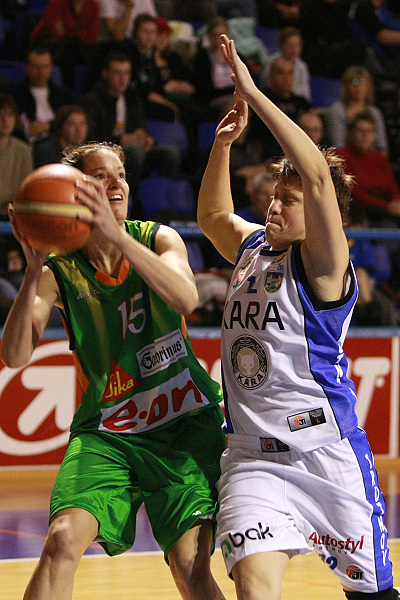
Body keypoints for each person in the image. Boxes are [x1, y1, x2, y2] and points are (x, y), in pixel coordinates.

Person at [197, 34, 399, 600]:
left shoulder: (326, 266)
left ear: (321, 212)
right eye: (273, 194)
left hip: (325, 456)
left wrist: (254, 92)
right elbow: (213, 217)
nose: (274, 204)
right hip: (250, 460)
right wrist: (222, 146)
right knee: (254, 589)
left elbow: (317, 175)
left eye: (289, 199)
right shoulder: (253, 248)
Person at [1, 140, 227, 600]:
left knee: (189, 566)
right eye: (101, 177)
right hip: (108, 433)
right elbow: (15, 355)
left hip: (182, 426)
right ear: (75, 191)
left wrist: (117, 236)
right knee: (63, 539)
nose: (116, 183)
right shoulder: (60, 272)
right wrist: (32, 271)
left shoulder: (157, 238)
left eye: (120, 174)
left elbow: (186, 298)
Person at [81, 52, 180, 199]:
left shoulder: (132, 98)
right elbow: (90, 138)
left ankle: (163, 199)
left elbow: (141, 127)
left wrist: (147, 139)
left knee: (170, 153)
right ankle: (132, 199)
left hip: (134, 149)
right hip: (108, 152)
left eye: (126, 73)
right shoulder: (93, 100)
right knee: (135, 152)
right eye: (117, 73)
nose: (123, 79)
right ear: (105, 74)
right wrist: (120, 140)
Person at [246, 55, 313, 161]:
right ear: (271, 75)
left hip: (300, 155)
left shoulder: (302, 103)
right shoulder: (260, 101)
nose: (286, 78)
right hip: (268, 156)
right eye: (280, 72)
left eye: (290, 73)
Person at [9, 43, 77, 145]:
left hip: (60, 143)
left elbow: (76, 120)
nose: (40, 72)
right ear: (27, 68)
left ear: (51, 68)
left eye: (45, 67)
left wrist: (49, 126)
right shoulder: (13, 94)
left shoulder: (66, 96)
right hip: (27, 144)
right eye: (35, 67)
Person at [28, 0, 100, 89]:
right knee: (68, 55)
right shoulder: (57, 3)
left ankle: (91, 92)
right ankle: (67, 91)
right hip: (49, 46)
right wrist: (81, 33)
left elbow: (92, 38)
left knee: (98, 56)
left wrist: (69, 32)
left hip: (77, 47)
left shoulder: (93, 6)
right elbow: (56, 33)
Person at [325, 65, 388, 153]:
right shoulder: (337, 111)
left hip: (370, 157)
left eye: (363, 81)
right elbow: (337, 146)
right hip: (345, 157)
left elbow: (382, 147)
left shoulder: (375, 112)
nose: (359, 86)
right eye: (354, 82)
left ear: (368, 86)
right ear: (346, 86)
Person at [0, 92, 33, 216]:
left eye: (10, 115)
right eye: (0, 115)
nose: (5, 120)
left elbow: (26, 190)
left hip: (14, 213)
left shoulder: (23, 150)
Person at [259, 26, 311, 102]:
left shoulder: (302, 66)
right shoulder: (271, 61)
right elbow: (264, 87)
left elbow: (305, 93)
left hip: (295, 102)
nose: (294, 49)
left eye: (297, 45)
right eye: (290, 45)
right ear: (282, 45)